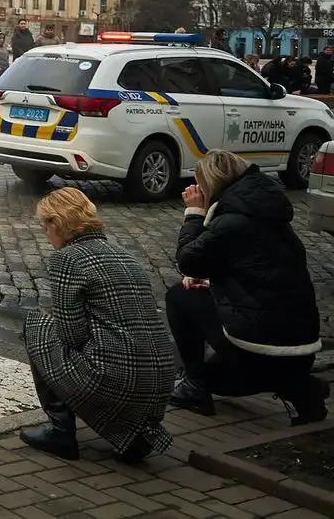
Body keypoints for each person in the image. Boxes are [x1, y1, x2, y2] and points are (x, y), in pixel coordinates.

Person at [167, 150, 328, 426]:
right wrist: (209, 281)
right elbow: (255, 271)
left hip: (257, 344)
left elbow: (188, 260)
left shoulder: (232, 220)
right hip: (301, 346)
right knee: (224, 373)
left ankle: (195, 386)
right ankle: (300, 388)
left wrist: (194, 214)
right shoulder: (271, 217)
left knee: (179, 296)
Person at [21, 188, 175, 462]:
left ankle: (61, 431)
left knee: (37, 325)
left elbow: (71, 334)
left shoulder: (66, 259)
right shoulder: (125, 256)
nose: (45, 234)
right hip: (160, 379)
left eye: (45, 226)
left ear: (57, 224)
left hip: (116, 380)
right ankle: (135, 435)